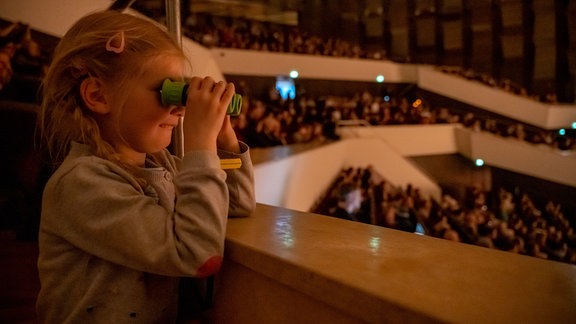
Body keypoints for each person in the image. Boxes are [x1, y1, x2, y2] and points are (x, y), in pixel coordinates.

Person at [35, 10, 256, 323]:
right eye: (167, 91)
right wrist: (199, 144)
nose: (180, 108)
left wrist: (224, 143)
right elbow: (196, 254)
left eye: (183, 92)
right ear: (97, 95)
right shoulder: (81, 184)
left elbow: (236, 203)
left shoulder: (160, 164)